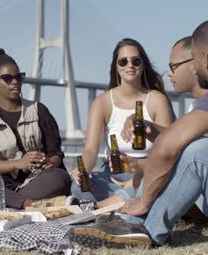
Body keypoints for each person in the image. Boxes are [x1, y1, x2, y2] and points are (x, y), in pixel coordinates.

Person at [70, 19, 208, 250]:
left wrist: (143, 202)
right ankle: (129, 221)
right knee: (192, 147)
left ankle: (138, 228)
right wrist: (154, 131)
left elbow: (171, 147)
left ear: (203, 59)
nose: (194, 67)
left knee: (195, 149)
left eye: (194, 59)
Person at [0, 47, 71, 209]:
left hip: (38, 180)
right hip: (2, 183)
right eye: (7, 78)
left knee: (60, 177)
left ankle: (1, 201)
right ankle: (24, 203)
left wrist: (48, 162)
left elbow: (57, 154)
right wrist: (19, 163)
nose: (15, 82)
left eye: (19, 77)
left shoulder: (39, 111)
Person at [70, 38, 174, 208]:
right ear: (116, 67)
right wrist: (83, 171)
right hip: (112, 176)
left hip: (146, 174)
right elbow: (90, 150)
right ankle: (122, 202)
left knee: (150, 185)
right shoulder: (102, 102)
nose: (130, 65)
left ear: (142, 65)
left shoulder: (157, 100)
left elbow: (170, 144)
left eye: (136, 61)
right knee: (78, 187)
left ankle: (100, 207)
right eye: (123, 61)